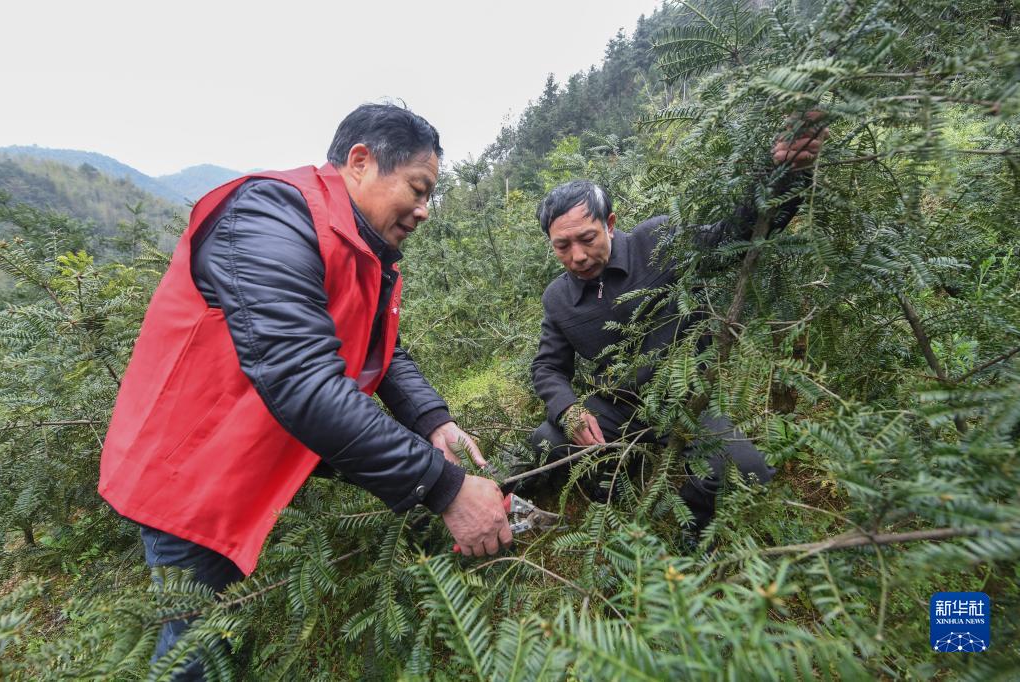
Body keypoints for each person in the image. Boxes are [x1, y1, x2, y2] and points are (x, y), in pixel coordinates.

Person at [98, 104, 511, 678]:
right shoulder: (268, 217)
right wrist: (446, 489)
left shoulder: (361, 247)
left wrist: (431, 420)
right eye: (417, 189)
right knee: (199, 649)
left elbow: (379, 349)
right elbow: (302, 381)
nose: (423, 211)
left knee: (222, 630)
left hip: (248, 457)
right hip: (188, 472)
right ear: (362, 162)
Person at [529, 121, 826, 532]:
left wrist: (783, 173)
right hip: (618, 408)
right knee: (544, 443)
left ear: (610, 223)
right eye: (562, 246)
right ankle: (607, 482)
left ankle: (689, 527)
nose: (577, 256)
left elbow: (732, 237)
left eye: (587, 238)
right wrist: (569, 409)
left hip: (688, 399)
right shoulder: (557, 298)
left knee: (747, 470)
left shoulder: (660, 240)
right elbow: (547, 368)